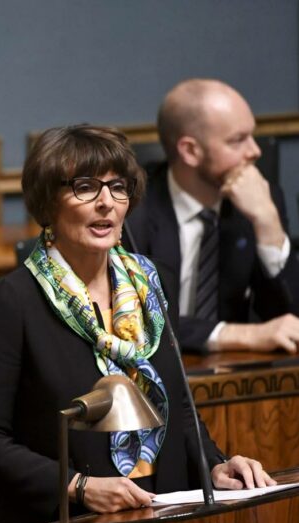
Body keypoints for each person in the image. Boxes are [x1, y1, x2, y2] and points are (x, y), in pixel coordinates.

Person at [0, 125, 275, 523]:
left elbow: (174, 403)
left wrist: (214, 464)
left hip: (161, 518)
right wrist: (77, 487)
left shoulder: (153, 285)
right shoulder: (9, 302)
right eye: (85, 187)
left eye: (117, 187)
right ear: (48, 200)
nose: (106, 203)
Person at [125, 79, 299, 354]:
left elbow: (290, 321)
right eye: (237, 140)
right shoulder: (130, 209)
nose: (255, 151)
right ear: (190, 151)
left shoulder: (260, 199)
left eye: (252, 136)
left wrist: (268, 224)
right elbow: (134, 321)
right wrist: (233, 334)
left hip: (235, 375)